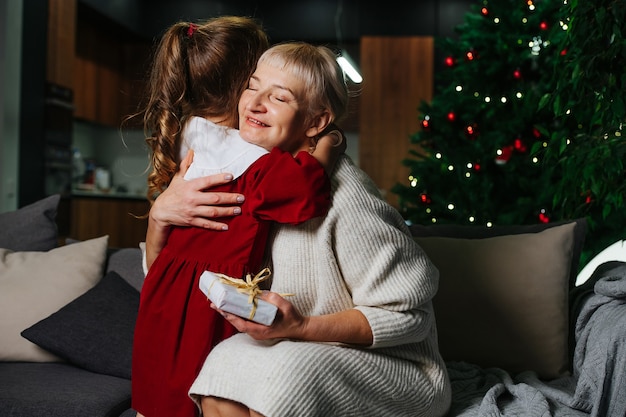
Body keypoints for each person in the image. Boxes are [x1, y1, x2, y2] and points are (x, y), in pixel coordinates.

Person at [150, 41, 452, 417]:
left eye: (278, 97)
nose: (253, 104)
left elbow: (409, 318)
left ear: (317, 122)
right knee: (221, 368)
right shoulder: (254, 180)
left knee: (284, 381)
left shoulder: (349, 199)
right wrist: (159, 215)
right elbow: (169, 271)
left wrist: (301, 327)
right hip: (298, 343)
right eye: (252, 86)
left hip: (398, 369)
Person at [132, 17, 344, 417]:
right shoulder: (257, 164)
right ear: (243, 86)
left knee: (159, 392)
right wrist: (326, 146)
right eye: (255, 82)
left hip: (163, 292)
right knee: (211, 388)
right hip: (207, 301)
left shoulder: (190, 141)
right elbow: (306, 193)